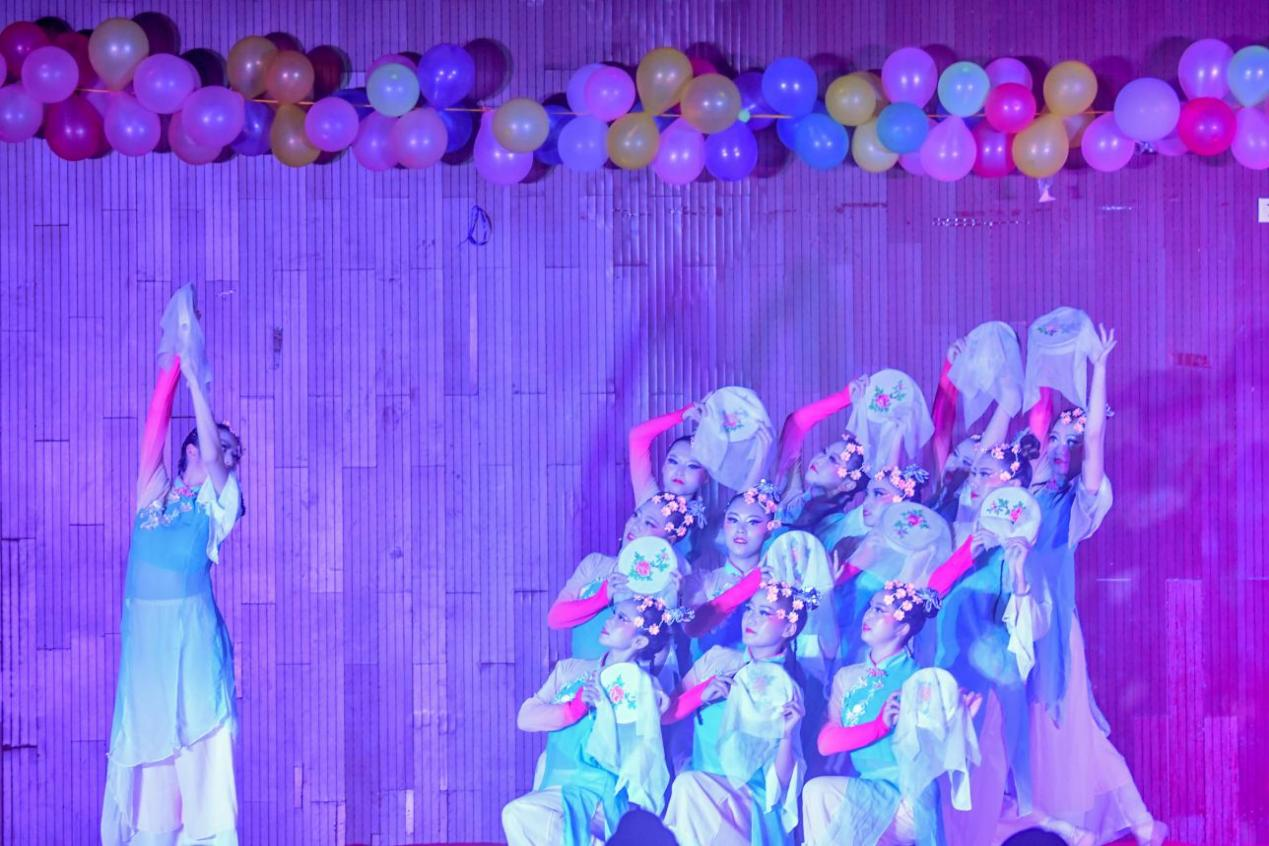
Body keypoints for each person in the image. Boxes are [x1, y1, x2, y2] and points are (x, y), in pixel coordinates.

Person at [102, 300, 245, 846]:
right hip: (148, 659)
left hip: (192, 650)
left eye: (232, 454)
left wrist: (198, 383)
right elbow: (155, 422)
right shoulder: (152, 493)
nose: (228, 457)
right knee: (153, 807)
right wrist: (175, 362)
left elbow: (216, 459)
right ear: (191, 448)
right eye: (222, 447)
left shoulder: (219, 503)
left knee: (204, 784)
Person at [803, 581, 981, 846]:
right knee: (823, 803)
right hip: (869, 789)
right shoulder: (847, 678)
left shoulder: (921, 681)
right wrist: (879, 726)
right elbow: (826, 743)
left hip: (907, 797)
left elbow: (933, 754)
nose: (869, 615)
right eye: (870, 607)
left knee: (819, 793)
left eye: (880, 610)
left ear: (902, 628)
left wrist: (957, 724)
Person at [503, 596, 682, 846]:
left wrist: (649, 710)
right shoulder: (569, 670)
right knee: (525, 819)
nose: (610, 621)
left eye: (622, 618)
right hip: (554, 783)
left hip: (596, 791)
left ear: (639, 641)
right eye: (614, 613)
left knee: (517, 814)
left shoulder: (642, 687)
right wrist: (572, 709)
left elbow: (638, 755)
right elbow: (526, 718)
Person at [661, 581, 814, 845]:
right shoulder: (716, 660)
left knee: (687, 787)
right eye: (749, 609)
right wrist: (700, 694)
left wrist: (787, 735)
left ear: (789, 628)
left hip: (747, 798)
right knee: (687, 788)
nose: (751, 618)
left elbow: (783, 783)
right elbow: (666, 715)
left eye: (764, 612)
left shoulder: (785, 687)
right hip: (699, 785)